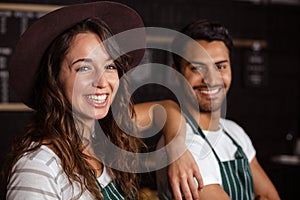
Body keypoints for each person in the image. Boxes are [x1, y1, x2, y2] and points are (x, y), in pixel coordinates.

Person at [0, 2, 146, 199]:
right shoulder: (38, 167)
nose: (102, 81)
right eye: (84, 68)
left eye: (110, 66)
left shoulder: (107, 148)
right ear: (55, 78)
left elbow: (160, 110)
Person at [156, 19, 281, 200]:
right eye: (198, 68)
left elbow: (271, 196)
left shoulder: (234, 132)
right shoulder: (183, 144)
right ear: (176, 74)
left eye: (220, 66)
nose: (212, 79)